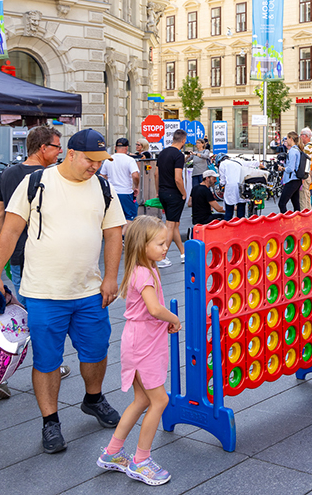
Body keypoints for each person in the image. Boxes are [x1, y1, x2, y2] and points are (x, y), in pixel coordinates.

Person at [0, 128, 126, 454]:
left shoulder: (103, 188)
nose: (95, 167)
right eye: (90, 161)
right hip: (44, 292)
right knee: (47, 359)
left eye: (100, 162)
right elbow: (11, 231)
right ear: (72, 154)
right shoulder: (37, 183)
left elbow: (113, 233)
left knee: (97, 350)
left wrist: (111, 277)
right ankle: (50, 422)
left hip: (90, 291)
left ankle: (93, 398)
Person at [97, 216, 179, 486]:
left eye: (165, 243)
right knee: (160, 401)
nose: (165, 247)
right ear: (142, 245)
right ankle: (141, 460)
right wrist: (173, 319)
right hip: (144, 345)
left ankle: (112, 452)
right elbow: (154, 309)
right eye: (159, 243)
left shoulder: (146, 267)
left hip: (140, 341)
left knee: (142, 400)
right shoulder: (144, 273)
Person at [0, 126, 67, 399]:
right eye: (57, 146)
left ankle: (45, 365)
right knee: (36, 319)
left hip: (17, 254)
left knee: (28, 314)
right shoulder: (50, 176)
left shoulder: (9, 173)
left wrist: (8, 244)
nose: (61, 152)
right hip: (44, 258)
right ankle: (7, 370)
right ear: (43, 148)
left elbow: (0, 214)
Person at [155, 130, 188, 268]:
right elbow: (178, 178)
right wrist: (184, 193)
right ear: (183, 141)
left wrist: (158, 191)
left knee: (174, 224)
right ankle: (161, 256)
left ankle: (183, 252)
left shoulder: (162, 153)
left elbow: (156, 174)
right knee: (170, 225)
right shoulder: (179, 155)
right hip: (174, 193)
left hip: (163, 192)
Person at [100, 138, 141, 236]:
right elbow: (135, 175)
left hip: (111, 192)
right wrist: (136, 186)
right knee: (130, 216)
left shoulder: (109, 159)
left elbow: (102, 176)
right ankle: (121, 235)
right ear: (127, 148)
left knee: (113, 216)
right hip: (125, 192)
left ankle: (114, 236)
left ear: (115, 147)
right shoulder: (130, 160)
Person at [278, 131, 302, 213]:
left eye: (287, 138)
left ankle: (286, 222)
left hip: (291, 180)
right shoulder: (297, 149)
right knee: (296, 204)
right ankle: (297, 222)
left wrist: (282, 168)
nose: (286, 141)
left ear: (291, 139)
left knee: (281, 203)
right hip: (297, 180)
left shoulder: (292, 151)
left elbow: (290, 168)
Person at [218, 154, 247, 220]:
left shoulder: (223, 164)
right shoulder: (238, 161)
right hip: (242, 187)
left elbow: (222, 181)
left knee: (229, 212)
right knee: (241, 212)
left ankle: (228, 227)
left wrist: (221, 187)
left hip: (230, 188)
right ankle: (241, 226)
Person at [187, 139, 212, 207]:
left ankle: (209, 207)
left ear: (203, 144)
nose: (197, 144)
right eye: (196, 143)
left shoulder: (205, 151)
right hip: (195, 174)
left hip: (203, 174)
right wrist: (187, 157)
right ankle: (196, 206)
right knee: (195, 191)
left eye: (198, 143)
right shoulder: (194, 153)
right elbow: (186, 161)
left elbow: (205, 156)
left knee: (206, 190)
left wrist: (195, 154)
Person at [298, 128, 312, 210]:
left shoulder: (307, 148)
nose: (300, 137)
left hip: (305, 175)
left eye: (300, 135)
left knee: (303, 198)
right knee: (307, 198)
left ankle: (305, 217)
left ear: (305, 136)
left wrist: (303, 177)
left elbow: (305, 163)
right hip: (309, 174)